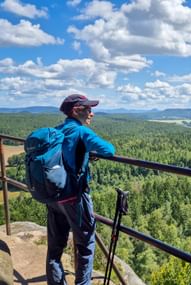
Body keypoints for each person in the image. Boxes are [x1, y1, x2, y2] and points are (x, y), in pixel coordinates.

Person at [46, 94, 115, 285]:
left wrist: (83, 153)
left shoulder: (56, 130)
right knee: (85, 246)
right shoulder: (81, 132)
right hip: (74, 197)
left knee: (54, 249)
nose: (92, 113)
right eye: (88, 109)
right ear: (76, 110)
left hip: (53, 195)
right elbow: (109, 150)